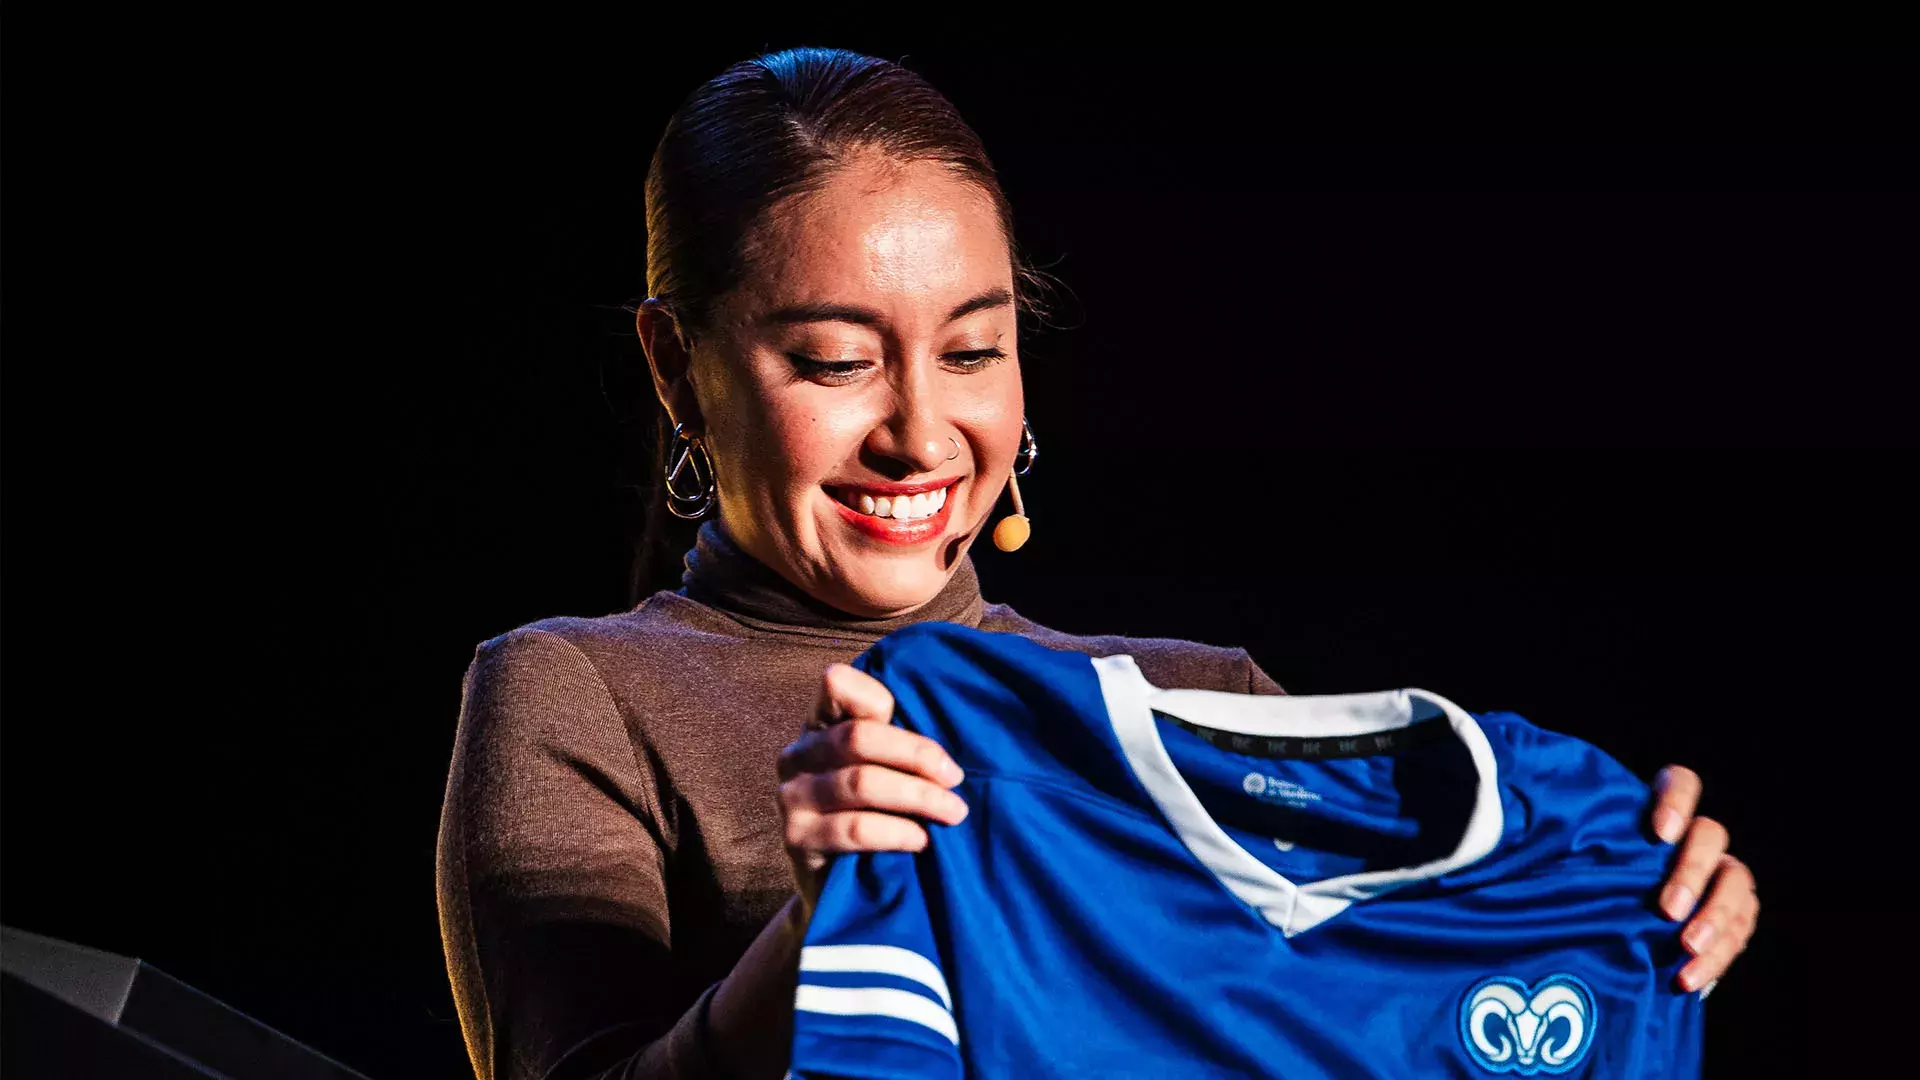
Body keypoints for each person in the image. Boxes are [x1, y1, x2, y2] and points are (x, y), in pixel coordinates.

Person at [434, 46, 1758, 1080]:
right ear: (680, 368)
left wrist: (1627, 896)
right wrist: (825, 932)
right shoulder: (579, 693)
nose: (917, 432)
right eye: (837, 359)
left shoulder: (1219, 703)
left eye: (971, 350)